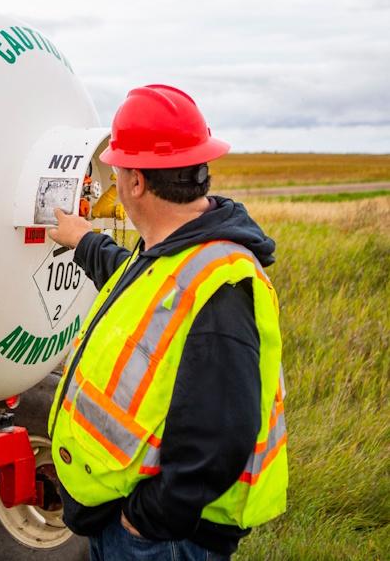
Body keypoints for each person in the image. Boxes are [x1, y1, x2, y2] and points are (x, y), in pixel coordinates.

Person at [46, 85, 287, 560]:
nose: (111, 182)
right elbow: (140, 282)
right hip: (142, 525)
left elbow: (218, 444)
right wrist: (83, 241)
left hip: (163, 539)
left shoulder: (220, 286)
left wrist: (143, 524)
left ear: (136, 182)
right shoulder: (177, 248)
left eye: (116, 170)